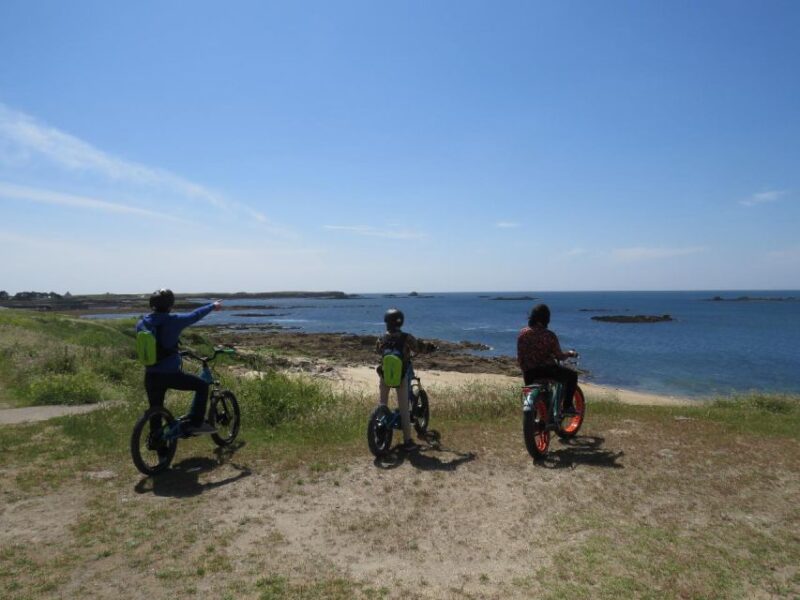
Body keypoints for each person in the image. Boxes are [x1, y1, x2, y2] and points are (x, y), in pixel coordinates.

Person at [136, 289, 222, 435]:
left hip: (150, 375)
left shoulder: (141, 323)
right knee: (202, 386)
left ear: (152, 305)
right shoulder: (174, 320)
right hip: (169, 375)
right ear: (170, 305)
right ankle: (196, 424)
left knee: (155, 411)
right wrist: (212, 306)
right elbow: (195, 315)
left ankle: (156, 441)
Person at [375, 308, 436, 452]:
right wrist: (431, 347)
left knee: (382, 404)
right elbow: (419, 348)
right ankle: (407, 441)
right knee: (404, 409)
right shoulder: (406, 337)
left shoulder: (381, 338)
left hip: (385, 374)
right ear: (400, 322)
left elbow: (378, 351)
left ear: (386, 322)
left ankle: (379, 432)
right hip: (401, 375)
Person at [517, 303, 579, 413]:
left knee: (533, 398)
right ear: (546, 319)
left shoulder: (522, 333)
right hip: (546, 371)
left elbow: (520, 355)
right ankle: (567, 406)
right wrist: (570, 353)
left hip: (528, 373)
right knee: (572, 376)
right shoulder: (549, 335)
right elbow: (559, 356)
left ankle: (537, 418)